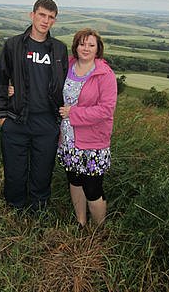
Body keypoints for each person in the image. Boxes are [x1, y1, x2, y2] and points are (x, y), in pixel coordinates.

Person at [0, 0, 68, 212]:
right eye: (42, 15)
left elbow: (65, 85)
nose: (45, 20)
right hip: (16, 120)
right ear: (32, 15)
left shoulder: (59, 50)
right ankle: (14, 211)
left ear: (54, 21)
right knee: (14, 172)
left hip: (46, 123)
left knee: (42, 173)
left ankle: (38, 214)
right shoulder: (13, 45)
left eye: (51, 17)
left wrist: (59, 121)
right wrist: (2, 116)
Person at [57, 28, 117, 226]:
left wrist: (73, 113)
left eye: (91, 45)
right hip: (68, 139)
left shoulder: (104, 74)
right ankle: (81, 223)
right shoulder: (67, 65)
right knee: (74, 181)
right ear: (75, 46)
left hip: (93, 142)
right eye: (82, 44)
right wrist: (16, 87)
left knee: (92, 189)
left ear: (98, 48)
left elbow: (106, 110)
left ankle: (100, 231)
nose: (86, 48)